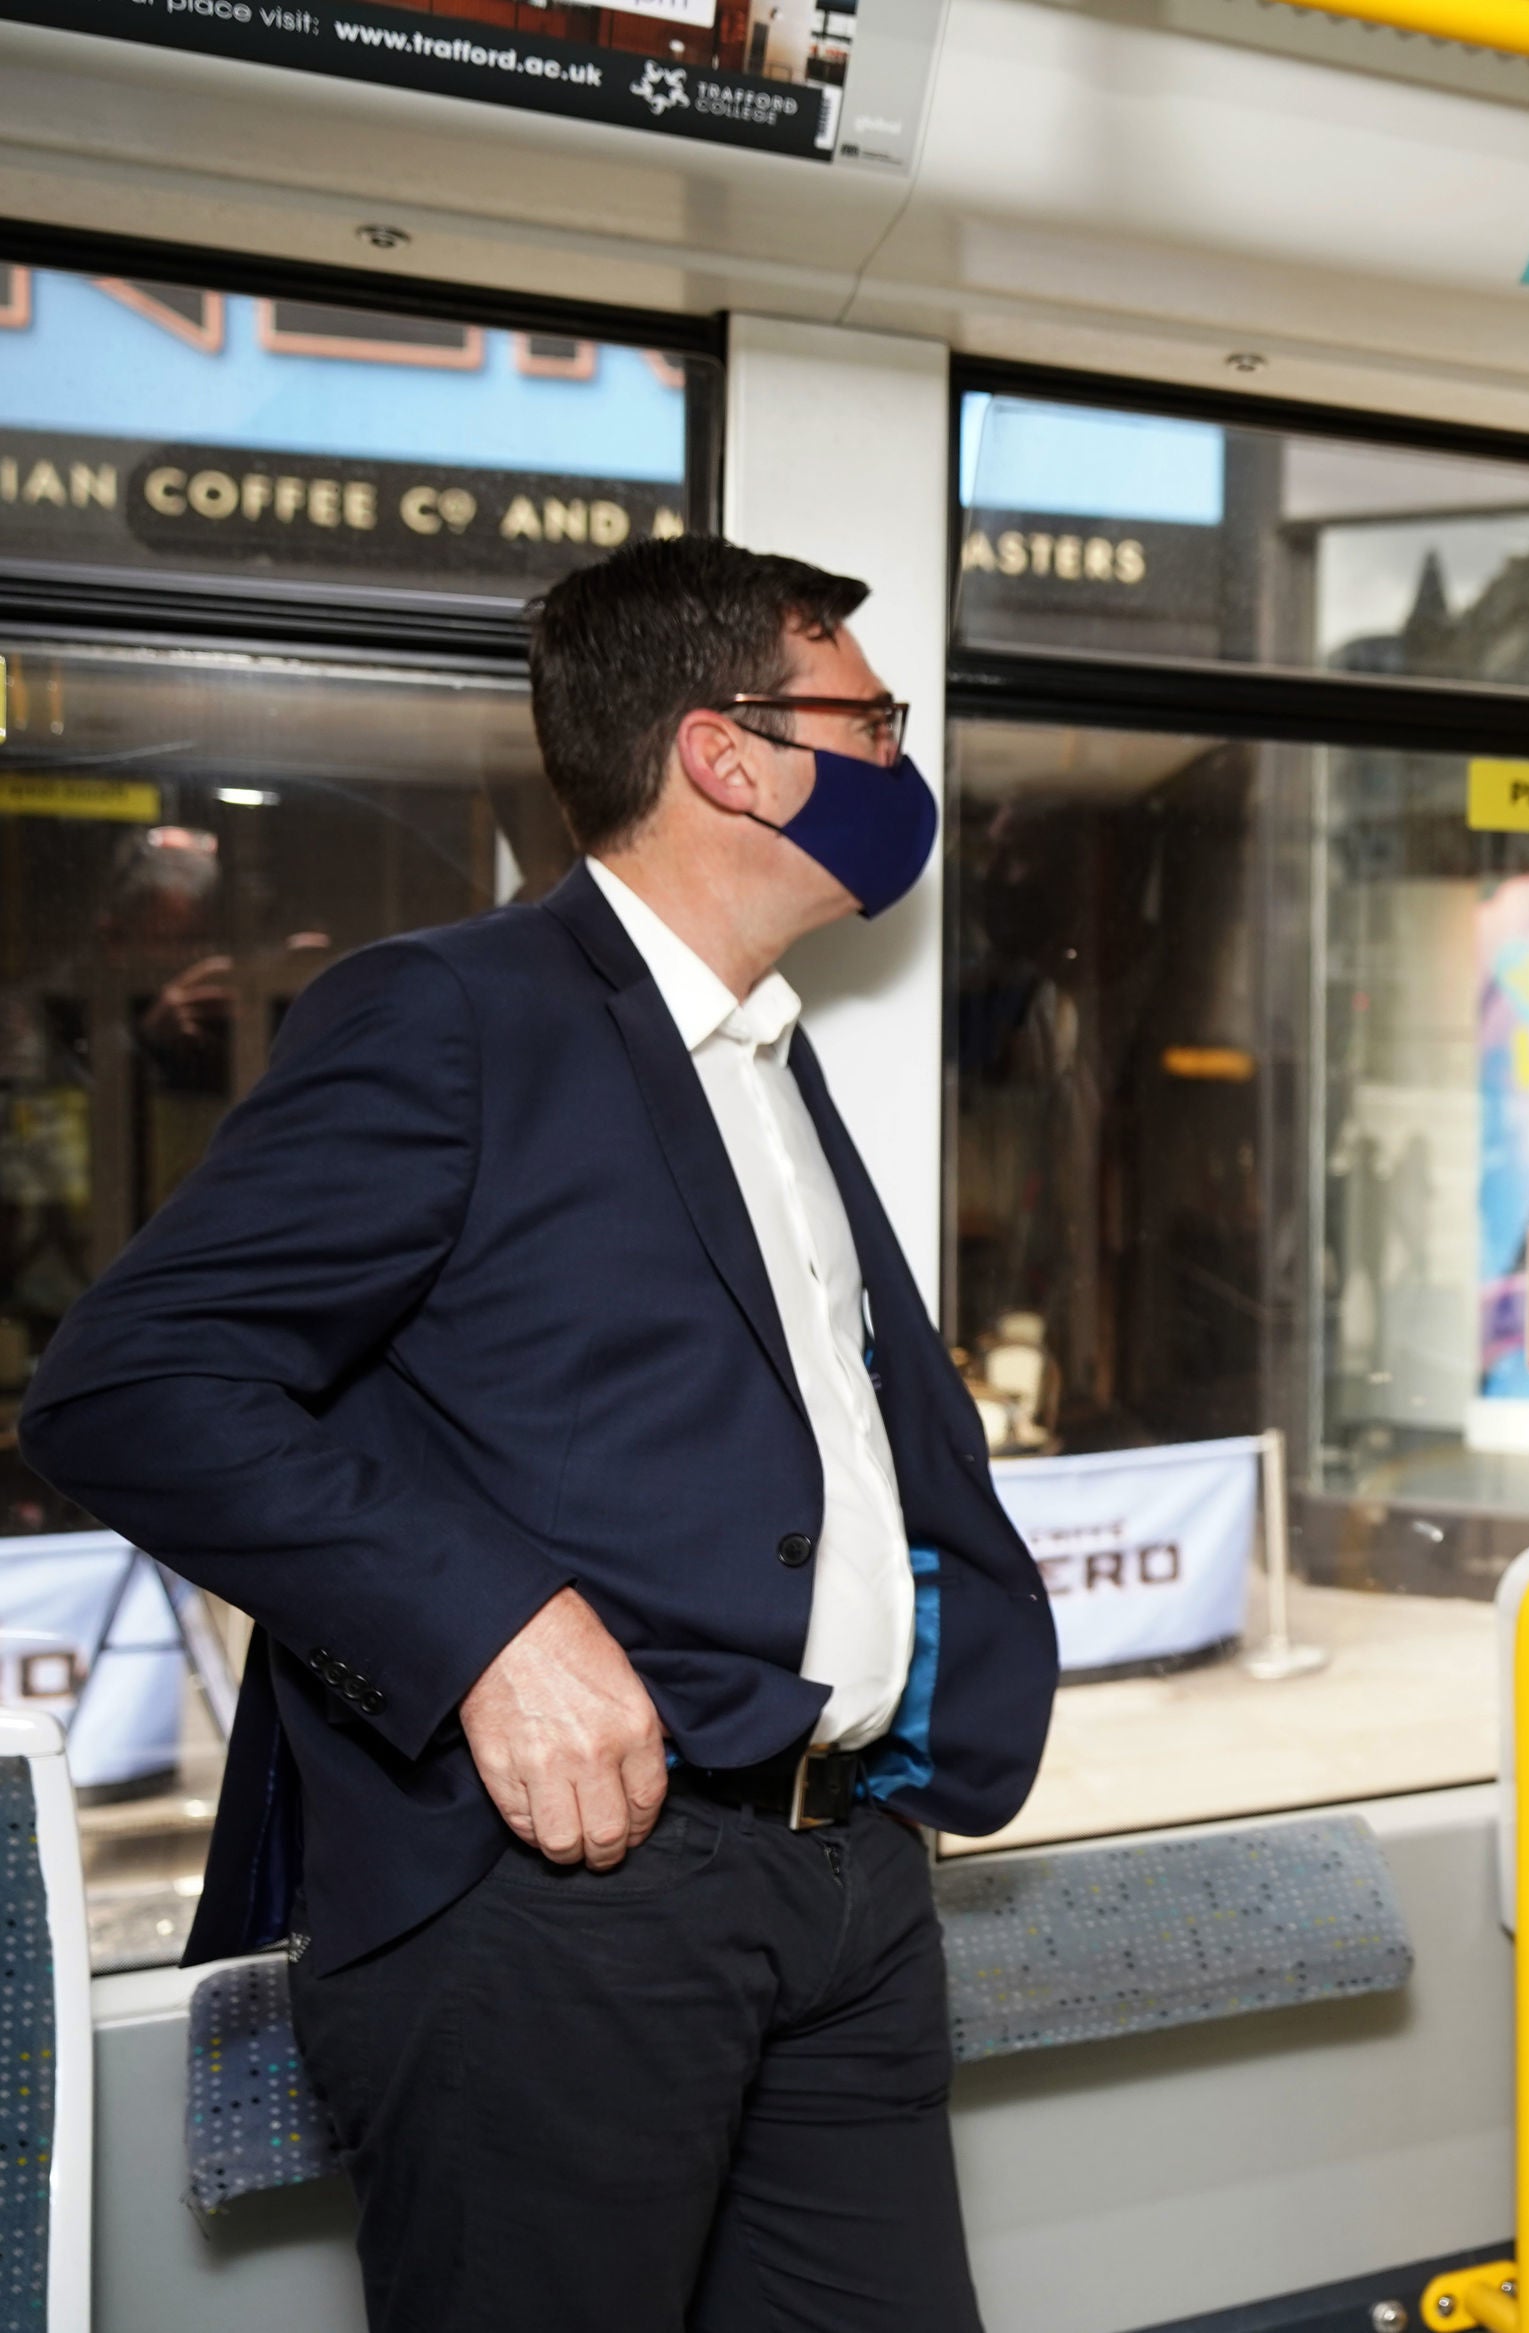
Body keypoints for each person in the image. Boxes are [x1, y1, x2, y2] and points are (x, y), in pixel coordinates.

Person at [21, 536, 1060, 2333]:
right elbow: (134, 1383)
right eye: (867, 714)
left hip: (845, 1879)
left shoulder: (772, 1054)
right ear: (730, 753)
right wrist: (487, 1621)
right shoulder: (452, 1015)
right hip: (567, 1906)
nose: (902, 756)